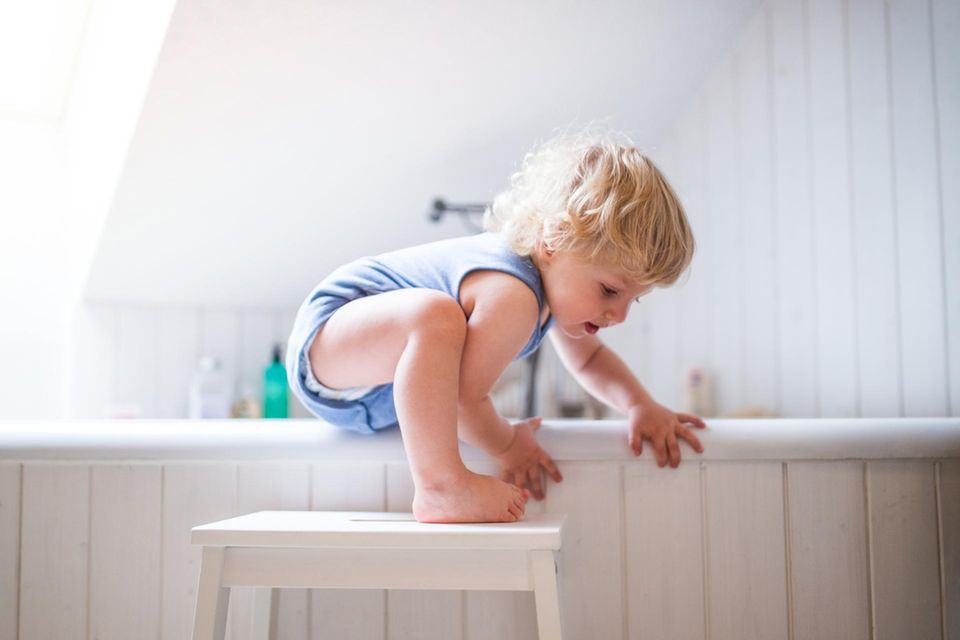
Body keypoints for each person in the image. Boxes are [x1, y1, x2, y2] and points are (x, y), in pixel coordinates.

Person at [286, 130, 706, 524]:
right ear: (553, 242)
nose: (620, 315)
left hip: (373, 378)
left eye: (634, 299)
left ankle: (441, 483)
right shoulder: (513, 294)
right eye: (610, 291)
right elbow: (462, 399)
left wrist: (639, 405)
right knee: (436, 315)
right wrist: (508, 445)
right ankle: (439, 486)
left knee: (437, 324)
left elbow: (590, 361)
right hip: (331, 338)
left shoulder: (554, 292)